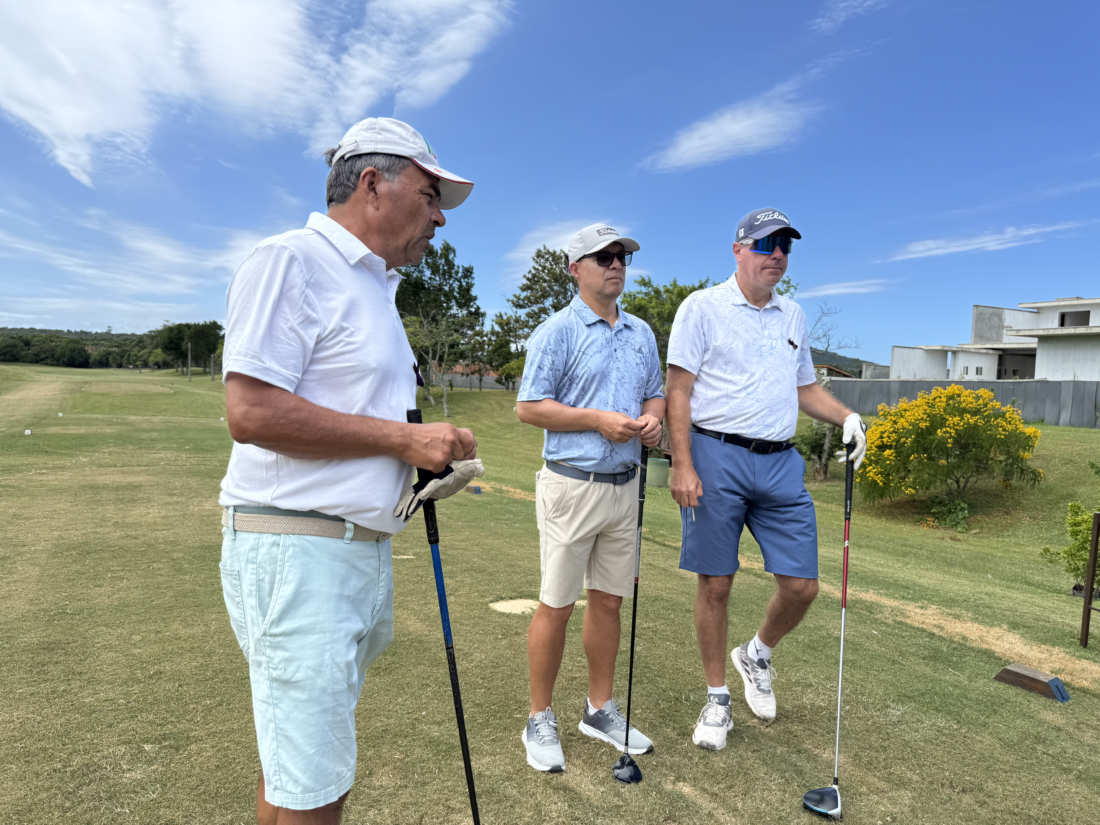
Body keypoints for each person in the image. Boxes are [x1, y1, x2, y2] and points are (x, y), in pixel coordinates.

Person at [219, 117, 480, 824]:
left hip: (346, 551)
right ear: (372, 183)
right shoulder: (291, 260)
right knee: (316, 786)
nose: (438, 218)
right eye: (430, 196)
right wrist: (403, 439)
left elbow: (366, 424)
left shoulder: (374, 288)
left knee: (297, 770)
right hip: (299, 550)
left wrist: (425, 451)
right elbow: (251, 411)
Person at [665, 208, 867, 751]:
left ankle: (756, 655)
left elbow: (804, 389)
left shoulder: (793, 315)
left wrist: (847, 417)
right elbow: (678, 391)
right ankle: (717, 699)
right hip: (715, 455)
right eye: (764, 244)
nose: (776, 254)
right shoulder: (701, 307)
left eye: (784, 246)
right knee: (716, 582)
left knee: (802, 586)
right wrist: (682, 463)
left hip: (779, 462)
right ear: (738, 249)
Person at [515, 223, 666, 773]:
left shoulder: (641, 333)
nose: (616, 264)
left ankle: (599, 708)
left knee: (608, 601)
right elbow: (529, 407)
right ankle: (539, 717)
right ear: (575, 268)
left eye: (622, 256)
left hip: (625, 486)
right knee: (557, 604)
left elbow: (655, 392)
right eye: (603, 257)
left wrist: (653, 420)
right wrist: (597, 420)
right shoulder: (556, 331)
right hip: (571, 485)